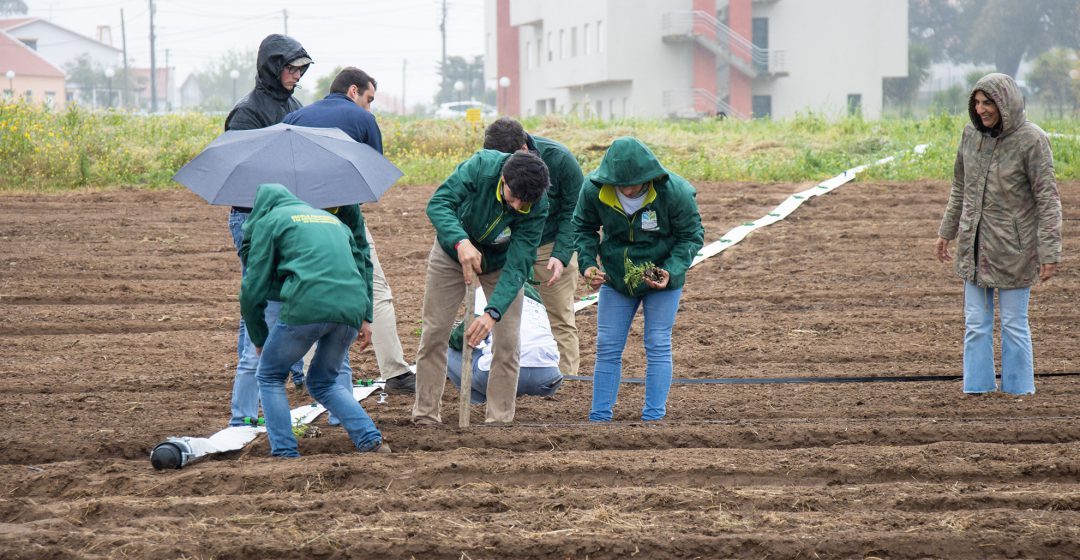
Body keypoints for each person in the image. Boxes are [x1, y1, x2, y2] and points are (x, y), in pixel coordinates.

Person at [283, 67, 416, 394]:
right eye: (369, 99)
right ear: (353, 91)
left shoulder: (298, 118)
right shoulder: (362, 120)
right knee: (376, 287)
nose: (369, 107)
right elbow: (374, 174)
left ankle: (310, 375)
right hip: (344, 214)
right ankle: (396, 371)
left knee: (309, 290)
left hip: (302, 220)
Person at [935, 72, 1062, 395]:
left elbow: (1047, 199)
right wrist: (947, 230)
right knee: (976, 325)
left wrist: (1050, 252)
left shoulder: (1032, 140)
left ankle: (1019, 393)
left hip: (1014, 250)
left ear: (1006, 103)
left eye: (988, 102)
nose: (981, 110)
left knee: (1013, 325)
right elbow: (960, 187)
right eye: (977, 103)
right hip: (974, 247)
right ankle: (977, 391)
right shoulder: (970, 135)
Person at [240, 183, 388, 457]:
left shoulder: (270, 221)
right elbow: (361, 263)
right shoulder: (332, 220)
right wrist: (365, 317)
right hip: (351, 309)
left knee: (270, 376)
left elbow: (252, 290)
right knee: (324, 381)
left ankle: (284, 452)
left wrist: (259, 336)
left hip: (307, 307)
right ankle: (371, 440)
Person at [413, 150, 550, 425]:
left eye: (524, 204)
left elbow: (520, 262)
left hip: (500, 263)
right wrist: (460, 242)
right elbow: (439, 204)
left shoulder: (536, 205)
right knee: (434, 332)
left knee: (508, 341)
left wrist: (492, 313)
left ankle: (499, 420)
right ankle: (426, 415)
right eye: (513, 197)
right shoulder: (480, 167)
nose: (517, 206)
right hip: (452, 252)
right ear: (502, 179)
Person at [573, 137, 704, 422]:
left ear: (649, 176)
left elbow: (691, 236)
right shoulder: (595, 189)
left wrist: (671, 270)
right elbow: (583, 228)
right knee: (607, 344)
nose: (626, 189)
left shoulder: (675, 192)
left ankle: (653, 419)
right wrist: (587, 264)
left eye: (633, 183)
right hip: (617, 279)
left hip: (661, 277)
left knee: (657, 342)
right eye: (620, 183)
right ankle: (599, 418)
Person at [225, 34, 312, 426]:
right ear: (273, 68)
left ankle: (286, 375)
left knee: (284, 295)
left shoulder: (294, 106)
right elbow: (243, 173)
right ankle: (244, 415)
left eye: (301, 69)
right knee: (258, 301)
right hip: (253, 218)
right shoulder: (246, 113)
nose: (296, 75)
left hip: (287, 216)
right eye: (291, 68)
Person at [483, 117, 584, 378]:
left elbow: (574, 213)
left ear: (524, 149)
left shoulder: (560, 160)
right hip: (507, 247)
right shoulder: (488, 160)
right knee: (502, 315)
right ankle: (507, 376)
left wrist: (561, 256)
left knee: (559, 317)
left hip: (548, 247)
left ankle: (565, 380)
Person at [447, 285, 563, 404]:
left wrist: (452, 335)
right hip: (549, 378)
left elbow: (464, 334)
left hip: (501, 377)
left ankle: (478, 404)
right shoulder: (535, 295)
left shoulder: (486, 289)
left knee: (447, 350)